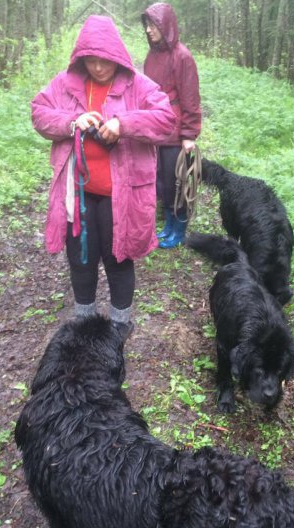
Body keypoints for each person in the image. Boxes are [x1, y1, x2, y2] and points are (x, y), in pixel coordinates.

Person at [31, 15, 176, 330]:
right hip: (79, 195)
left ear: (118, 56)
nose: (98, 67)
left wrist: (123, 124)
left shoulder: (138, 85)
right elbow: (39, 112)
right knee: (81, 260)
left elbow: (166, 120)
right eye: (91, 61)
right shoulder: (67, 84)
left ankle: (119, 327)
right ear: (82, 58)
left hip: (121, 197)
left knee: (118, 259)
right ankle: (84, 323)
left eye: (105, 60)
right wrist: (72, 122)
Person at [142, 2, 202, 249]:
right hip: (154, 128)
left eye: (153, 24)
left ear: (165, 25)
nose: (148, 30)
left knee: (176, 180)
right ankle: (168, 224)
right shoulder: (152, 55)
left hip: (174, 131)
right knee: (160, 181)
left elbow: (190, 97)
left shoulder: (182, 56)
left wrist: (188, 134)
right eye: (146, 25)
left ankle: (179, 228)